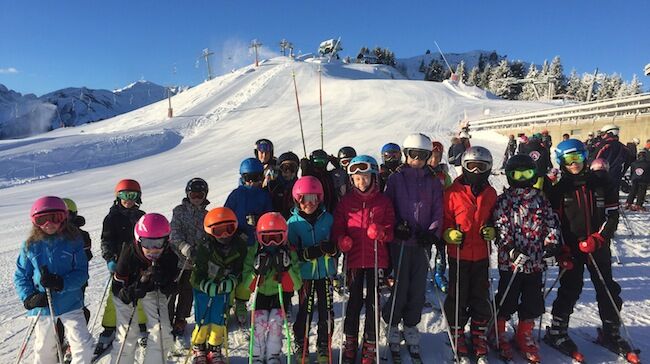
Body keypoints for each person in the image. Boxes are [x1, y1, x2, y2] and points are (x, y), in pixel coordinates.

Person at [543, 139, 635, 362]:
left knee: (608, 289)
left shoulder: (601, 182)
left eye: (579, 158)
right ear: (561, 162)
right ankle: (557, 331)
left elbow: (612, 217)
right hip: (571, 248)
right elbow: (552, 221)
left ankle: (611, 331)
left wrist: (599, 238)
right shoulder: (560, 189)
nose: (574, 164)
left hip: (598, 246)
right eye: (569, 159)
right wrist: (560, 249)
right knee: (570, 289)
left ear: (586, 157)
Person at [492, 154, 561, 362]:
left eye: (527, 173)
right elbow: (500, 227)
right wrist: (511, 250)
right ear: (510, 176)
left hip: (535, 262)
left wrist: (551, 246)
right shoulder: (504, 201)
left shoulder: (541, 199)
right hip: (511, 263)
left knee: (533, 300)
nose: (522, 178)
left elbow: (551, 224)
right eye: (517, 174)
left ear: (534, 175)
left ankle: (524, 333)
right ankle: (498, 331)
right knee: (507, 298)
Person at [382, 133, 443, 361]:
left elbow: (438, 209)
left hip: (421, 243)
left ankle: (411, 324)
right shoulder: (396, 179)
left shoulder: (433, 180)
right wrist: (397, 226)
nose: (417, 159)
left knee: (417, 287)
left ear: (428, 157)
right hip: (401, 242)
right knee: (400, 285)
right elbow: (388, 206)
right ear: (406, 154)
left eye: (423, 155)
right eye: (413, 154)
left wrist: (433, 233)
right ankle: (392, 323)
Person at [15, 196, 93, 364]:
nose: (48, 224)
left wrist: (61, 282)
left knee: (83, 347)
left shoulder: (73, 242)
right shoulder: (30, 245)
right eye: (41, 219)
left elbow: (81, 273)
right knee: (44, 349)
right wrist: (29, 298)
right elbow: (21, 276)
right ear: (35, 222)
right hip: (43, 306)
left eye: (55, 218)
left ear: (64, 218)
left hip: (70, 302)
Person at [332, 155, 395, 364]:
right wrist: (342, 239)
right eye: (357, 179)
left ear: (374, 177)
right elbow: (338, 227)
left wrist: (382, 233)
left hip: (377, 259)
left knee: (373, 303)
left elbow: (391, 229)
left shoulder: (383, 201)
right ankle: (350, 341)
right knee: (354, 301)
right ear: (351, 180)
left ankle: (370, 343)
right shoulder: (346, 203)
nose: (362, 182)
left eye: (365, 177)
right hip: (354, 259)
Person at [442, 146, 497, 362]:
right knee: (458, 295)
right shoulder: (452, 193)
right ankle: (457, 332)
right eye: (471, 166)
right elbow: (444, 220)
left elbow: (496, 218)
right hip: (459, 254)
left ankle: (478, 334)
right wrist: (448, 233)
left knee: (480, 295)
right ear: (464, 167)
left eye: (480, 167)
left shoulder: (491, 193)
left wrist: (493, 229)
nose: (475, 171)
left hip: (482, 254)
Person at [109, 213, 179, 364]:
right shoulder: (129, 253)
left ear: (167, 241)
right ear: (138, 240)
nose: (152, 249)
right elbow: (117, 288)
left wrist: (163, 280)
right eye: (146, 242)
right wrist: (131, 291)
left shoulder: (169, 256)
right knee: (127, 333)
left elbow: (172, 288)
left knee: (161, 331)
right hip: (128, 291)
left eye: (158, 243)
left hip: (154, 291)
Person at [288, 176, 338, 363]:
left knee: (326, 311)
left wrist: (334, 249)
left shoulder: (328, 219)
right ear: (296, 199)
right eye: (304, 199)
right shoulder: (293, 223)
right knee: (304, 310)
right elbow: (290, 251)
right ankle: (301, 343)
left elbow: (337, 241)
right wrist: (305, 254)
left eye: (313, 198)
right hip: (305, 275)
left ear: (320, 199)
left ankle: (324, 344)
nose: (309, 203)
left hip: (325, 273)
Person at [95, 179, 147, 357]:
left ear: (138, 197)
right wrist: (110, 259)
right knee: (114, 296)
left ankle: (141, 326)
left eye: (132, 195)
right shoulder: (111, 218)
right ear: (118, 197)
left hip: (139, 261)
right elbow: (106, 241)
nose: (128, 199)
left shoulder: (142, 216)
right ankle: (109, 328)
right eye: (124, 195)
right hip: (119, 262)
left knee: (139, 293)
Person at [242, 212, 302, 364]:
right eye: (267, 239)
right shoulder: (254, 251)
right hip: (261, 294)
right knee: (260, 324)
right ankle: (256, 356)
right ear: (259, 237)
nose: (272, 244)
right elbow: (246, 285)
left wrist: (287, 268)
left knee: (276, 323)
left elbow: (297, 285)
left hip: (280, 294)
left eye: (277, 238)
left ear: (285, 236)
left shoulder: (289, 251)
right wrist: (256, 271)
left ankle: (273, 356)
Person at [190, 207, 248, 364]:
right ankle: (199, 346)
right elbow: (195, 275)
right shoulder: (205, 247)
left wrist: (233, 280)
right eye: (218, 231)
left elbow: (241, 268)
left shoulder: (239, 244)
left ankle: (215, 347)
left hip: (223, 288)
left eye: (228, 229)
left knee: (219, 319)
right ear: (210, 232)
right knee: (203, 319)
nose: (224, 235)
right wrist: (205, 285)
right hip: (204, 289)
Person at [225, 158, 273, 326]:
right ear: (242, 178)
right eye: (248, 178)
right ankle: (227, 304)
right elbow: (226, 216)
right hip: (235, 242)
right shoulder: (236, 195)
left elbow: (269, 217)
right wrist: (234, 232)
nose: (252, 182)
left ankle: (241, 302)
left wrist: (259, 220)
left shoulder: (264, 195)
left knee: (248, 273)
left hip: (254, 243)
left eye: (256, 178)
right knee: (231, 272)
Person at [168, 178, 210, 350]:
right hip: (177, 260)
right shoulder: (179, 211)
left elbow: (209, 237)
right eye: (193, 194)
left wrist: (203, 251)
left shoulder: (207, 215)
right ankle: (167, 319)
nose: (197, 198)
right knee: (171, 291)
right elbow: (174, 233)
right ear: (187, 194)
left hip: (194, 263)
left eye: (200, 195)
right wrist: (183, 247)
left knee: (187, 292)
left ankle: (180, 319)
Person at [55, 198, 92, 361]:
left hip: (76, 282)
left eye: (67, 215)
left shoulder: (81, 235)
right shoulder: (52, 234)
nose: (64, 219)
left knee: (76, 311)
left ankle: (73, 343)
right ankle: (58, 344)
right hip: (56, 281)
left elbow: (86, 257)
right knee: (56, 313)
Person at [429, 141, 452, 293]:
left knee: (441, 248)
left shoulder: (443, 175)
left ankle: (439, 274)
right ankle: (420, 273)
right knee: (423, 248)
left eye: (438, 157)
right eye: (432, 156)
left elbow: (451, 193)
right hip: (425, 216)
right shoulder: (420, 172)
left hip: (440, 215)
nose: (434, 160)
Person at [591, 124, 634, 194]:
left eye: (603, 134)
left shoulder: (604, 145)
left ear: (610, 133)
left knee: (601, 196)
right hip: (616, 175)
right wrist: (622, 172)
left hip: (602, 175)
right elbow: (629, 160)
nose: (602, 136)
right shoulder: (623, 147)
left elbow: (595, 159)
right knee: (613, 196)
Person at [269, 151, 300, 219]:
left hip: (295, 224)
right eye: (285, 168)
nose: (288, 171)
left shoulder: (300, 187)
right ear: (279, 169)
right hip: (275, 224)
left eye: (292, 168)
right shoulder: (272, 187)